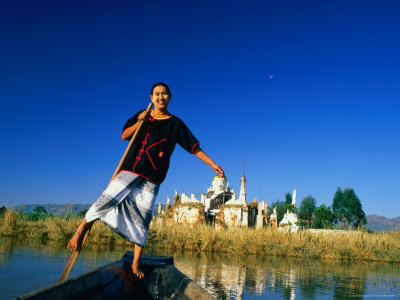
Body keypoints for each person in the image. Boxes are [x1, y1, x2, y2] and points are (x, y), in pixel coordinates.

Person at [67, 82, 224, 278]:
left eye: (164, 94)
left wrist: (212, 164)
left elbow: (193, 147)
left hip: (153, 177)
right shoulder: (143, 114)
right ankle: (81, 230)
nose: (160, 97)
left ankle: (135, 264)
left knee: (143, 217)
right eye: (157, 94)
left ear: (169, 97)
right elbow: (124, 136)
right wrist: (139, 122)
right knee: (107, 198)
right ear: (151, 98)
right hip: (131, 169)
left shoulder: (176, 124)